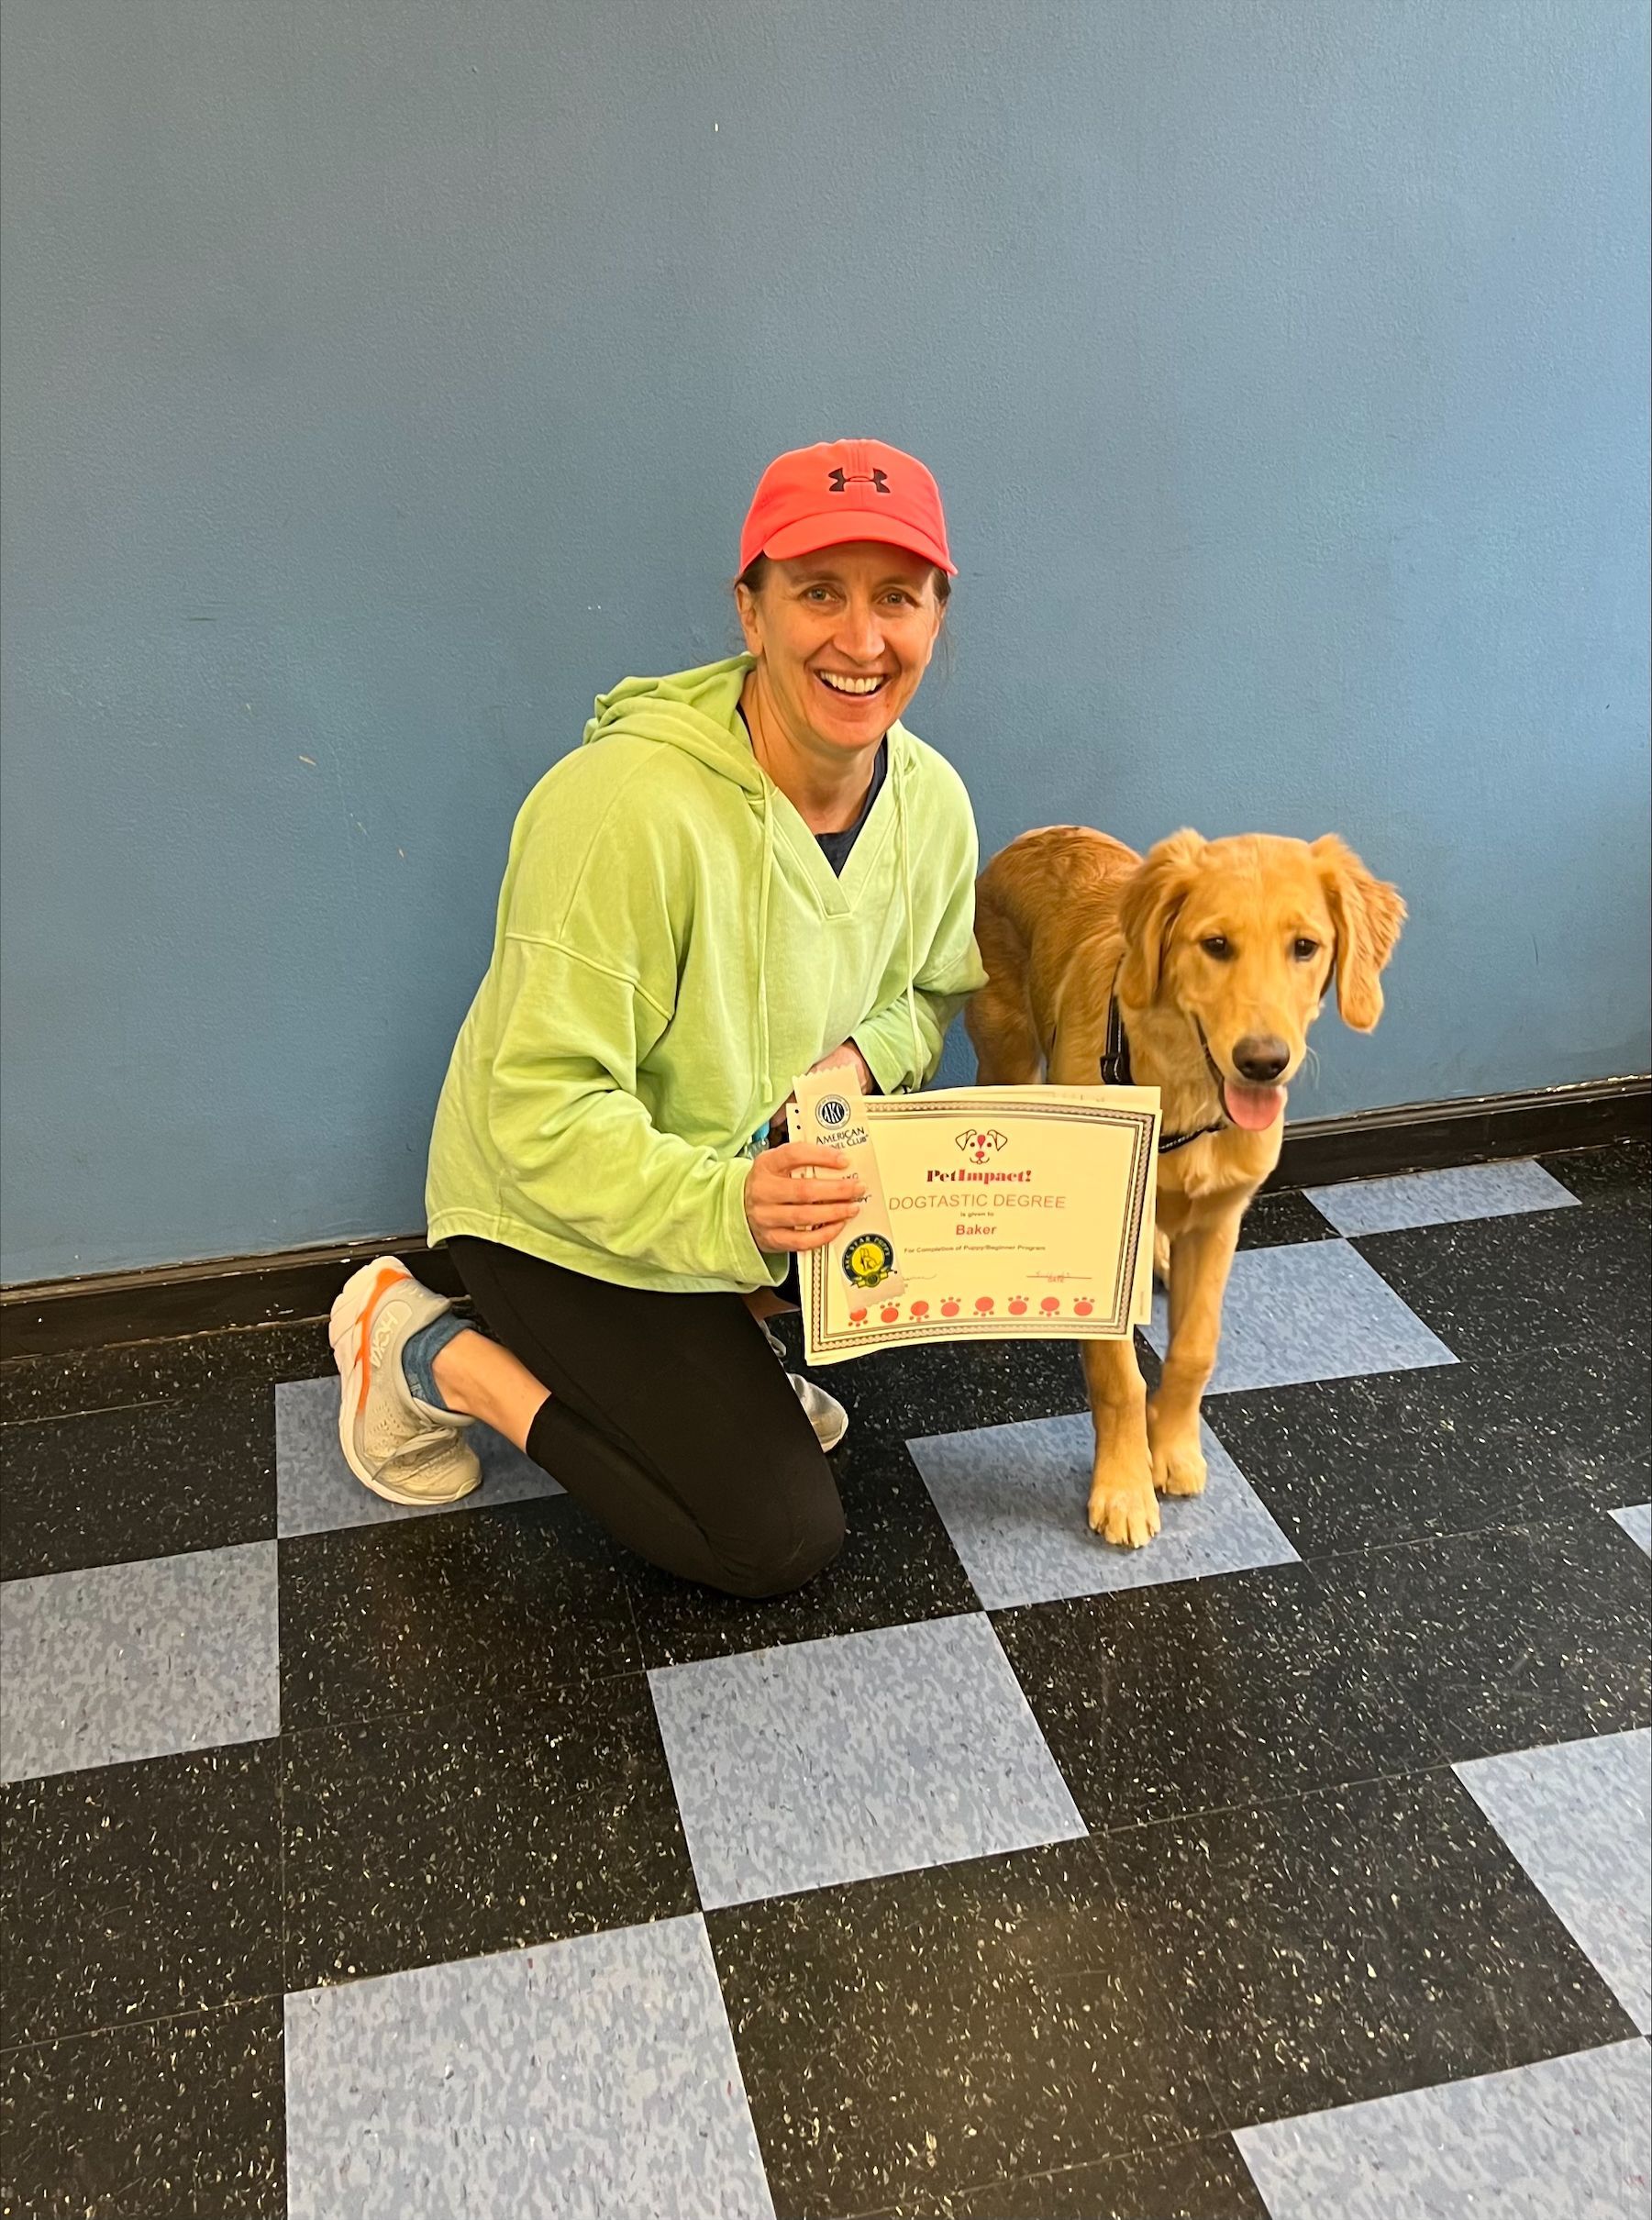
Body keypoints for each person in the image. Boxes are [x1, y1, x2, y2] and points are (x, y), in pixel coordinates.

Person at [328, 438, 986, 1596]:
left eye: (896, 596)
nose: (860, 639)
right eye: (817, 592)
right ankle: (422, 1349)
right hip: (549, 1207)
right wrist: (728, 1206)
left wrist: (856, 1057)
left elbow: (930, 992)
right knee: (773, 1537)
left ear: (939, 614)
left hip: (741, 1181)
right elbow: (535, 1114)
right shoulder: (623, 807)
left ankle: (717, 1340)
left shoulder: (932, 801)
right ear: (750, 609)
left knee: (931, 1270)